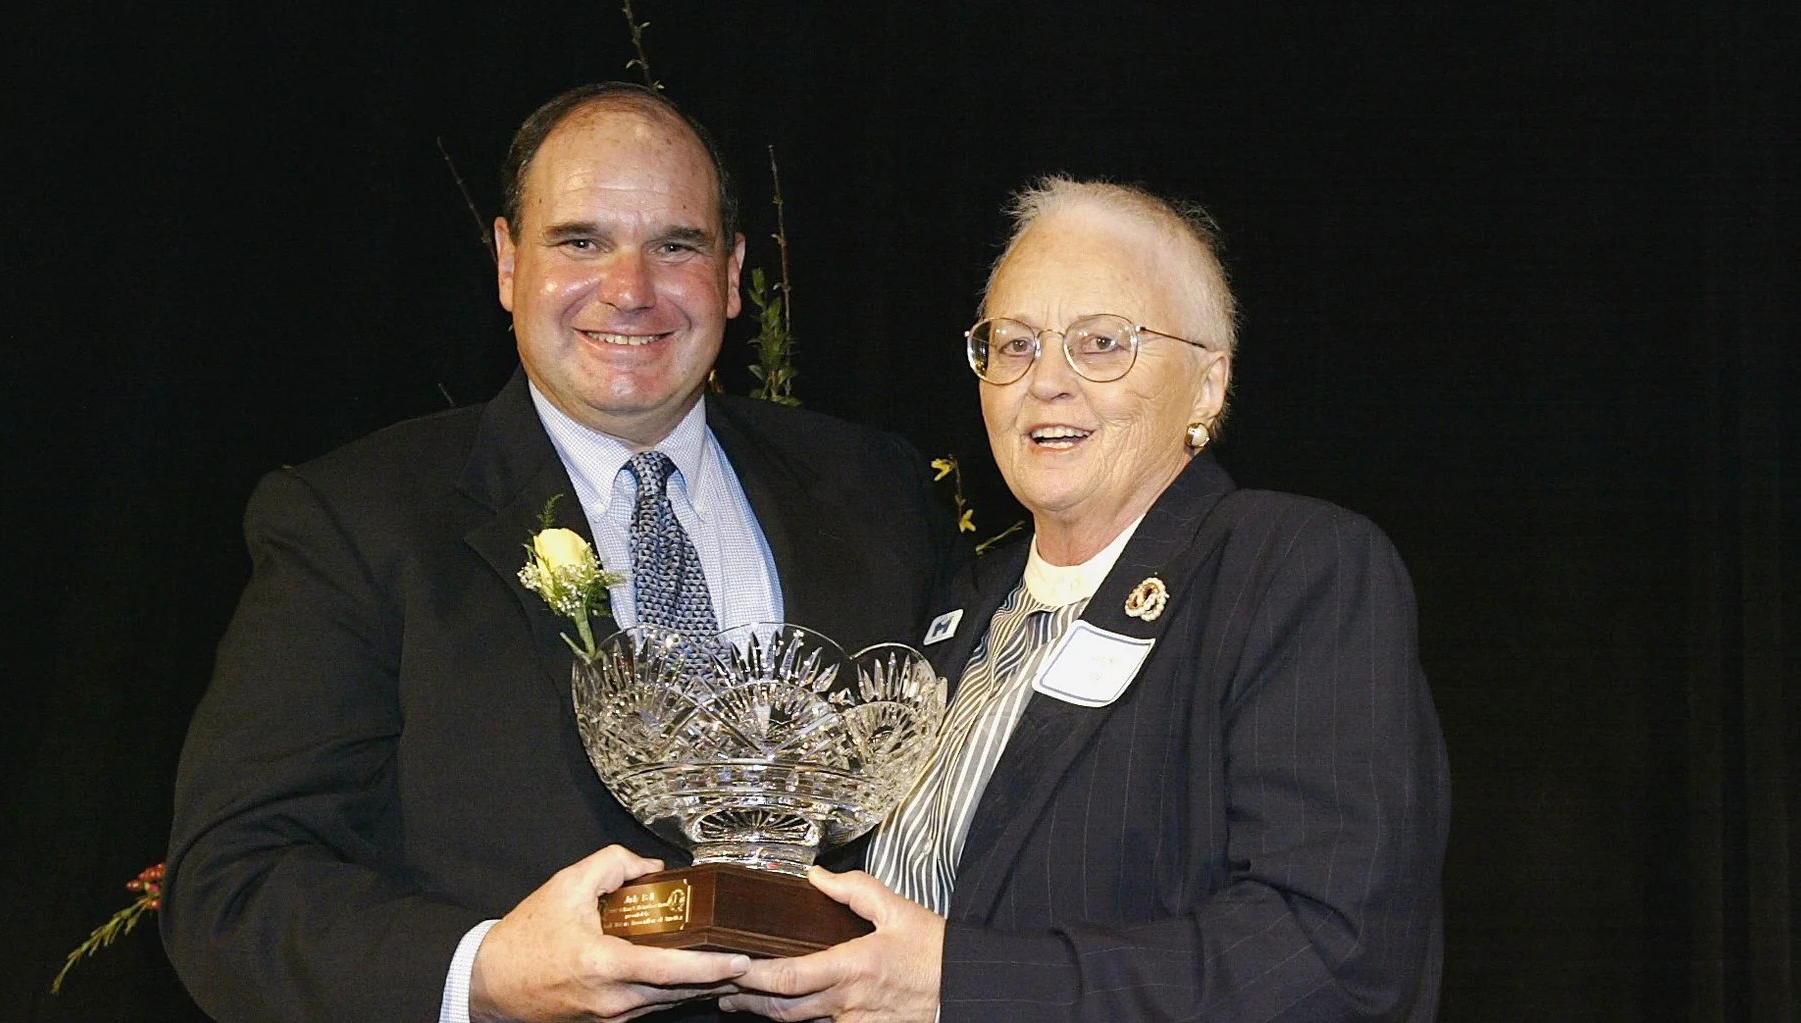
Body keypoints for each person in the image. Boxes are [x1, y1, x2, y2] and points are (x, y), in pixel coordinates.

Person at [162, 82, 960, 1023]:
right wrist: (488, 971)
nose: (629, 288)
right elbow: (231, 886)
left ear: (735, 272)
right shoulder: (356, 520)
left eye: (677, 245)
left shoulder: (878, 490)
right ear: (506, 263)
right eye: (580, 241)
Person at [724, 178, 1451, 1022]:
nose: (1047, 383)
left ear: (1208, 387)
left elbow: (1332, 954)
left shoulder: (1289, 570)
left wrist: (959, 983)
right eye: (1015, 344)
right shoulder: (958, 609)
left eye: (1102, 343)